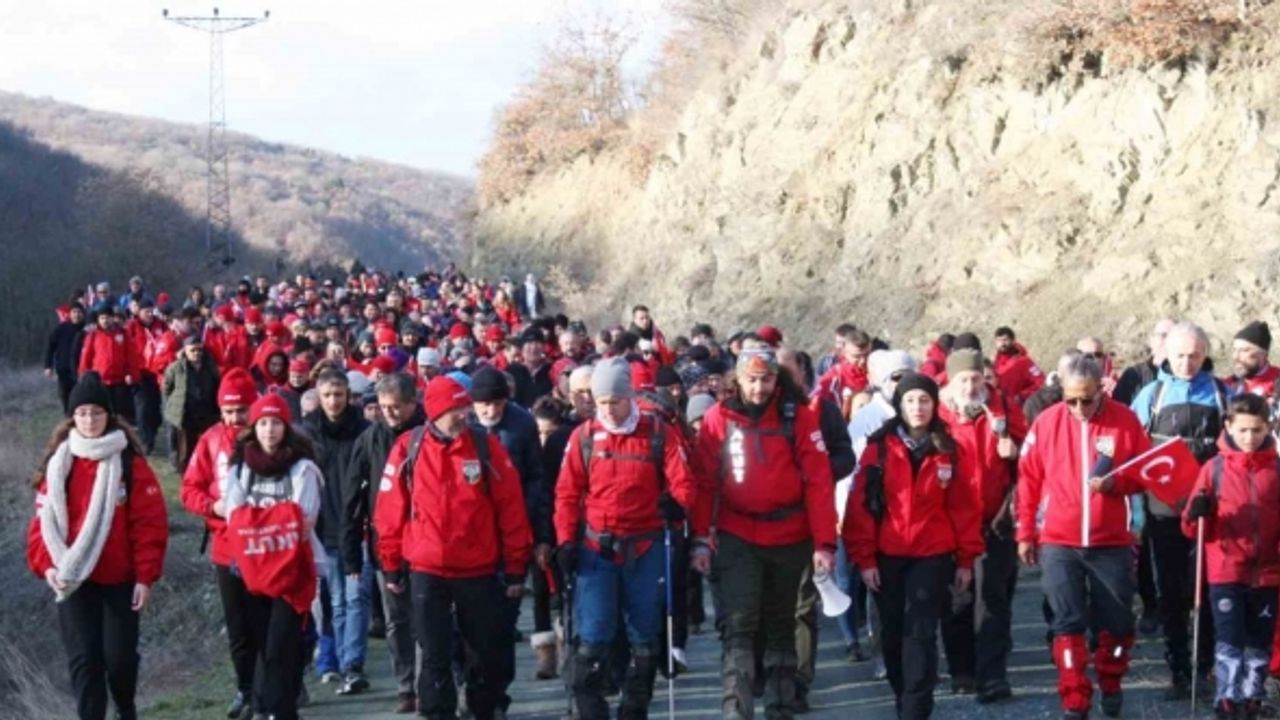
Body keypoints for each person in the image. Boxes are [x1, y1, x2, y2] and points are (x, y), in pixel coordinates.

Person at [375, 376, 533, 720]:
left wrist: (516, 564)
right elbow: (389, 511)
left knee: (483, 654)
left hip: (477, 569)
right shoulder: (407, 449)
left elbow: (512, 508)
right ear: (434, 412)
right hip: (426, 570)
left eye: (465, 407)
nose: (463, 415)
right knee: (433, 656)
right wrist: (390, 564)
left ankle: (482, 710)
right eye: (454, 409)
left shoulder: (485, 447)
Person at [692, 346, 837, 720]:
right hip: (738, 532)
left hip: (789, 535)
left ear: (778, 379)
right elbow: (705, 483)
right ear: (737, 379)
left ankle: (781, 706)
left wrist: (824, 543)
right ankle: (736, 709)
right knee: (739, 623)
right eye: (752, 380)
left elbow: (818, 482)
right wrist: (700, 538)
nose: (759, 388)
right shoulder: (717, 418)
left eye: (767, 379)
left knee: (780, 625)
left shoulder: (799, 416)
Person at [554, 358, 697, 720]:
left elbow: (683, 483)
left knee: (645, 637)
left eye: (614, 401)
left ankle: (634, 709)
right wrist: (565, 540)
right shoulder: (584, 437)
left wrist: (676, 505)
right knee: (593, 635)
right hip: (597, 548)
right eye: (601, 402)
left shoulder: (658, 432)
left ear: (629, 396)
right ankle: (591, 709)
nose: (608, 409)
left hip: (645, 547)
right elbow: (567, 494)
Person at [26, 371, 170, 720]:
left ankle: (125, 707)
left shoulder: (129, 465)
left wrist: (145, 577)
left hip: (119, 579)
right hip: (73, 579)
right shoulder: (59, 465)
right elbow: (41, 526)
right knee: (84, 661)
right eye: (82, 413)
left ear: (109, 416)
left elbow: (149, 525)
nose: (89, 420)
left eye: (96, 413)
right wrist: (47, 567)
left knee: (119, 659)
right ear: (72, 417)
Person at [1017, 354, 1152, 720]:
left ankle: (1112, 681)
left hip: (1111, 541)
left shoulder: (1124, 420)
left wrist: (1117, 484)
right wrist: (1025, 532)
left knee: (1120, 625)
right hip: (1059, 539)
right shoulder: (1046, 423)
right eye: (1071, 399)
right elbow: (1028, 480)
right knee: (1066, 623)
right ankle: (1074, 699)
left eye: (1087, 399)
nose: (1078, 407)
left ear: (1101, 391)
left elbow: (1144, 471)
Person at [844, 372, 982, 719]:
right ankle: (903, 697)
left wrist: (966, 560)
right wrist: (864, 559)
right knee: (892, 634)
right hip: (886, 554)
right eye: (910, 401)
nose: (917, 408)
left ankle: (915, 709)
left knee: (920, 633)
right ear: (899, 405)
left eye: (924, 400)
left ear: (935, 405)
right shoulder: (878, 448)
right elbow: (860, 507)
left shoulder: (949, 449)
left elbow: (964, 508)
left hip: (932, 553)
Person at [1130, 322, 1226, 699]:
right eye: (1180, 356)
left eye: (1195, 355)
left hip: (1210, 508)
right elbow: (1133, 450)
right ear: (1166, 355)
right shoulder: (1151, 395)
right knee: (1171, 590)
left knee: (1205, 586)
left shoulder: (1221, 393)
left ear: (1205, 354)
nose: (1188, 363)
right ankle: (1178, 670)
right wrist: (1136, 509)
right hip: (1164, 510)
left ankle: (1204, 668)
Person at [224, 393, 324, 720]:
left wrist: (260, 521)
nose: (269, 430)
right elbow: (233, 515)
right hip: (251, 571)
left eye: (276, 423)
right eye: (263, 423)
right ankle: (266, 706)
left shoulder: (302, 468)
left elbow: (305, 518)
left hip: (292, 572)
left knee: (282, 645)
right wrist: (278, 519)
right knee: (260, 645)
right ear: (254, 427)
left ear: (286, 427)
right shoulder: (240, 467)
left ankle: (280, 710)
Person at [935, 349, 1027, 703]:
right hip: (951, 522)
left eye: (976, 379)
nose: (971, 386)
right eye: (963, 380)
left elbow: (1031, 454)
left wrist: (1014, 451)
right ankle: (962, 670)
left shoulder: (1002, 408)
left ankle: (993, 676)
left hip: (995, 520)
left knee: (993, 598)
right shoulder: (939, 414)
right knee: (958, 599)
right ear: (950, 381)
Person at [1182, 393, 1280, 719]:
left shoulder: (1276, 470)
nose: (1249, 437)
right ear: (1228, 427)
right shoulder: (1214, 469)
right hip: (1226, 569)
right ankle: (1226, 696)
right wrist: (1198, 513)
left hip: (1268, 570)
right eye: (1242, 430)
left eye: (1256, 430)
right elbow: (1191, 527)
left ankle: (1252, 694)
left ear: (1269, 427)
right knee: (1230, 637)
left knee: (1259, 639)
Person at [777, 346, 856, 710]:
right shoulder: (753, 413)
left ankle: (799, 682)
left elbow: (845, 455)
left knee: (802, 606)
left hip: (808, 520)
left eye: (782, 370)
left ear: (801, 372)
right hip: (759, 526)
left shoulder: (821, 410)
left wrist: (817, 474)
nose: (773, 378)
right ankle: (772, 673)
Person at [179, 367, 261, 719]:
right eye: (228, 411)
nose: (235, 418)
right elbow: (189, 488)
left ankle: (275, 687)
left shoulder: (269, 436)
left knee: (268, 623)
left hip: (266, 546)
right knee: (238, 626)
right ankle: (245, 688)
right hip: (226, 545)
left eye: (241, 410)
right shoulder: (210, 440)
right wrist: (212, 506)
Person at [342, 372, 425, 714]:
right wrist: (350, 553)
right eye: (384, 407)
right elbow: (352, 497)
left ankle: (428, 682)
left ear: (411, 405)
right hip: (384, 543)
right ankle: (406, 684)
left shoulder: (427, 436)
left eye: (397, 407)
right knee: (396, 620)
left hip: (424, 539)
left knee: (427, 616)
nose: (390, 414)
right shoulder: (369, 440)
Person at [470, 366, 556, 681]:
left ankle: (537, 655)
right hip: (475, 530)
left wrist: (539, 529)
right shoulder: (463, 425)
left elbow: (537, 477)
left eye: (497, 404)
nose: (491, 411)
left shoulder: (521, 425)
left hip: (519, 522)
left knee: (518, 599)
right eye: (485, 406)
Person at [303, 369, 373, 695]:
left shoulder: (364, 430)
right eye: (328, 395)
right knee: (337, 601)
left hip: (357, 525)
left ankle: (352, 664)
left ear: (348, 396)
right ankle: (341, 661)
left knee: (356, 596)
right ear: (319, 396)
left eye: (340, 395)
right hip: (324, 527)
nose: (334, 401)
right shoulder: (306, 433)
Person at [162, 335, 221, 472]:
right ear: (185, 351)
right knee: (185, 452)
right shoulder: (175, 368)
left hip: (206, 413)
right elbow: (167, 388)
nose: (196, 353)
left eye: (199, 350)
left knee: (206, 446)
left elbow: (217, 386)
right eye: (193, 350)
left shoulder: (210, 367)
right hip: (185, 414)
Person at [79, 306, 139, 420]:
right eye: (102, 318)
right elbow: (85, 358)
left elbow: (131, 356)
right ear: (98, 320)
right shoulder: (93, 335)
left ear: (113, 318)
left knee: (121, 413)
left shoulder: (123, 334)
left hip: (120, 381)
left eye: (107, 318)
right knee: (103, 411)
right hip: (100, 381)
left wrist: (131, 373)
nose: (105, 321)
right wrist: (84, 378)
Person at [1112, 319, 1174, 406]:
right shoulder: (1133, 376)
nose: (1169, 341)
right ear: (1152, 340)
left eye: (1174, 336)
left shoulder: (1188, 375)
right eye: (1163, 336)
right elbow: (1118, 411)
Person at [1224, 321, 1280, 402]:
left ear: (1262, 355)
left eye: (1244, 350)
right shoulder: (1226, 385)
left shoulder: (1276, 380)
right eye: (1235, 350)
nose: (1235, 356)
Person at [47, 302, 87, 414]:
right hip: (63, 369)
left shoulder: (87, 330)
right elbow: (50, 347)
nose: (76, 315)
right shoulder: (61, 329)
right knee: (65, 396)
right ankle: (68, 419)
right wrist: (48, 365)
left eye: (79, 312)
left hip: (82, 370)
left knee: (81, 398)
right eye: (74, 312)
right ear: (69, 314)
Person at [992, 326, 1045, 407]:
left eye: (1005, 340)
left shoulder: (1024, 361)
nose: (1002, 344)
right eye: (999, 341)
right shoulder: (994, 366)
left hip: (1024, 408)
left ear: (1013, 340)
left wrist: (1022, 396)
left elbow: (1041, 381)